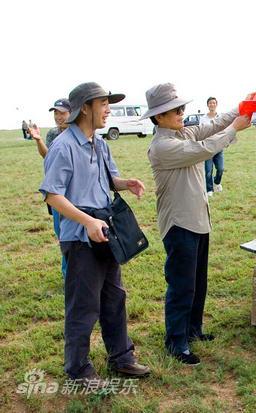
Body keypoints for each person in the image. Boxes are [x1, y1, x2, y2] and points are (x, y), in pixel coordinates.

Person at [39, 82, 150, 384]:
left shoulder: (100, 143)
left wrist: (126, 182)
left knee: (114, 299)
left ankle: (122, 357)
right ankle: (77, 369)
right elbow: (52, 195)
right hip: (80, 239)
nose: (108, 109)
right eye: (103, 103)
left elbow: (106, 179)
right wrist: (87, 221)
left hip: (106, 233)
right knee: (83, 306)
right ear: (85, 108)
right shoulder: (63, 146)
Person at [142, 83, 250, 365]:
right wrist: (234, 129)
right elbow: (204, 148)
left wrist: (245, 106)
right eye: (173, 110)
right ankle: (176, 342)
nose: (181, 112)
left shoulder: (182, 132)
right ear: (158, 117)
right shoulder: (163, 146)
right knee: (181, 284)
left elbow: (213, 126)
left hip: (197, 219)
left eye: (181, 108)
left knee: (197, 281)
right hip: (179, 224)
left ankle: (193, 330)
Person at [28, 98, 72, 278]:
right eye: (56, 113)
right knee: (62, 233)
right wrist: (38, 140)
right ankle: (67, 273)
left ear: (72, 113)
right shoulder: (53, 134)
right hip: (56, 191)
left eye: (62, 113)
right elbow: (48, 157)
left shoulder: (77, 133)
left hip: (73, 191)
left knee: (74, 234)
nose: (58, 117)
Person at [201, 97, 225, 196]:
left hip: (219, 146)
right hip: (208, 147)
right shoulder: (203, 118)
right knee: (208, 171)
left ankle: (217, 182)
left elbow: (224, 129)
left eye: (214, 103)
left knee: (220, 169)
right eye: (210, 103)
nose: (212, 104)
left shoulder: (220, 116)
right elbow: (201, 132)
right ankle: (209, 189)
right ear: (208, 105)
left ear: (216, 104)